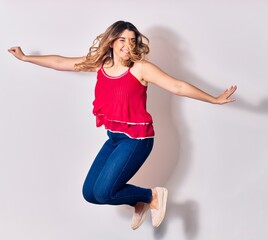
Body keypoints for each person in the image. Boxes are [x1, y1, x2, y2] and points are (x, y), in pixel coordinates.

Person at [8, 20, 237, 230]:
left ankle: (151, 196)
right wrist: (26, 58)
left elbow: (177, 86)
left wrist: (214, 99)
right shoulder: (102, 64)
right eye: (122, 40)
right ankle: (141, 200)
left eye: (132, 40)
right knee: (90, 194)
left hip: (138, 139)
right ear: (112, 41)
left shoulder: (140, 68)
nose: (128, 45)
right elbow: (61, 62)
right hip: (115, 138)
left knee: (105, 192)